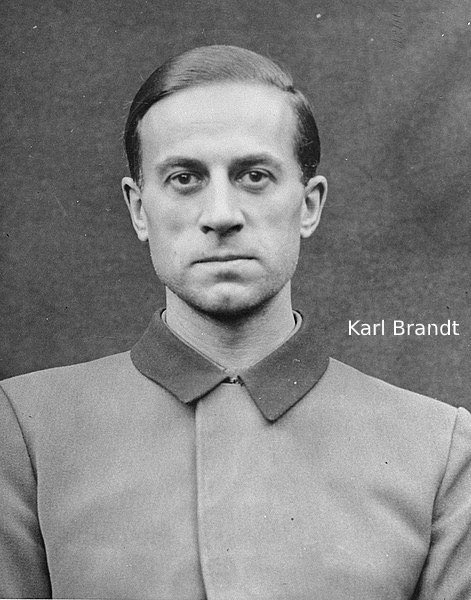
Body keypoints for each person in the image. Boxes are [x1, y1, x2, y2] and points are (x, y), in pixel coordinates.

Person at [1, 45, 470, 600]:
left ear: (309, 205)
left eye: (254, 175)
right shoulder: (25, 428)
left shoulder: (439, 448)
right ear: (138, 209)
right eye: (184, 178)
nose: (221, 215)